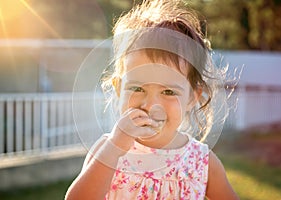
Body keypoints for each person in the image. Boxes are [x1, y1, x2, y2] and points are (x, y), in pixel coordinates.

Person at [65, 0, 239, 199]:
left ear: (193, 97)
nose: (150, 106)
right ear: (119, 89)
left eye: (168, 92)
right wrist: (114, 148)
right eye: (137, 88)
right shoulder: (108, 151)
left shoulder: (201, 162)